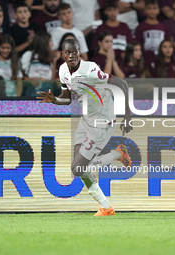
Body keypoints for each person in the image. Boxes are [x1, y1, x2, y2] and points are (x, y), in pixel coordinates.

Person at [37, 38, 132, 216]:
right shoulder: (63, 70)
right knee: (80, 167)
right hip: (86, 118)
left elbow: (121, 84)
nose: (72, 56)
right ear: (62, 54)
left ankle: (115, 158)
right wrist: (54, 100)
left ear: (80, 52)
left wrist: (127, 115)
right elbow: (68, 98)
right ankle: (105, 206)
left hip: (102, 121)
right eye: (68, 52)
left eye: (75, 52)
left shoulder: (91, 70)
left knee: (77, 168)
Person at [134, 0, 171, 70]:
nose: (152, 11)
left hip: (161, 60)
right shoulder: (140, 27)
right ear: (144, 10)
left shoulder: (164, 27)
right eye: (149, 8)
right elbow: (138, 45)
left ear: (158, 10)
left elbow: (168, 44)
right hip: (145, 60)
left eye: (154, 8)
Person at [21, 31, 57, 96]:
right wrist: (29, 80)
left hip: (47, 92)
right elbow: (20, 72)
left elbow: (52, 79)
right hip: (32, 91)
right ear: (43, 42)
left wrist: (54, 61)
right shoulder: (29, 54)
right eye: (50, 41)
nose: (52, 44)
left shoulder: (49, 58)